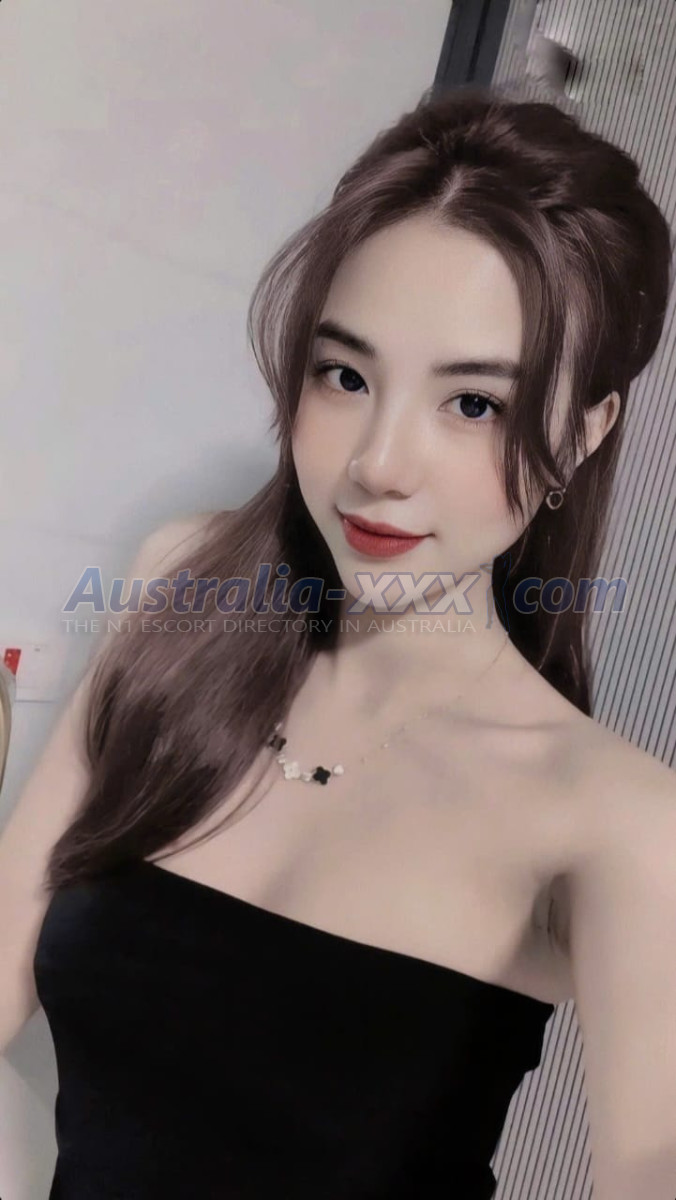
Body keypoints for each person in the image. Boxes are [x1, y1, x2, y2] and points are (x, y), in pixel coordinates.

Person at [2, 84, 676, 1200]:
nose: (377, 463)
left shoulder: (618, 824)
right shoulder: (182, 589)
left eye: (474, 404)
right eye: (346, 376)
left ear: (583, 432)